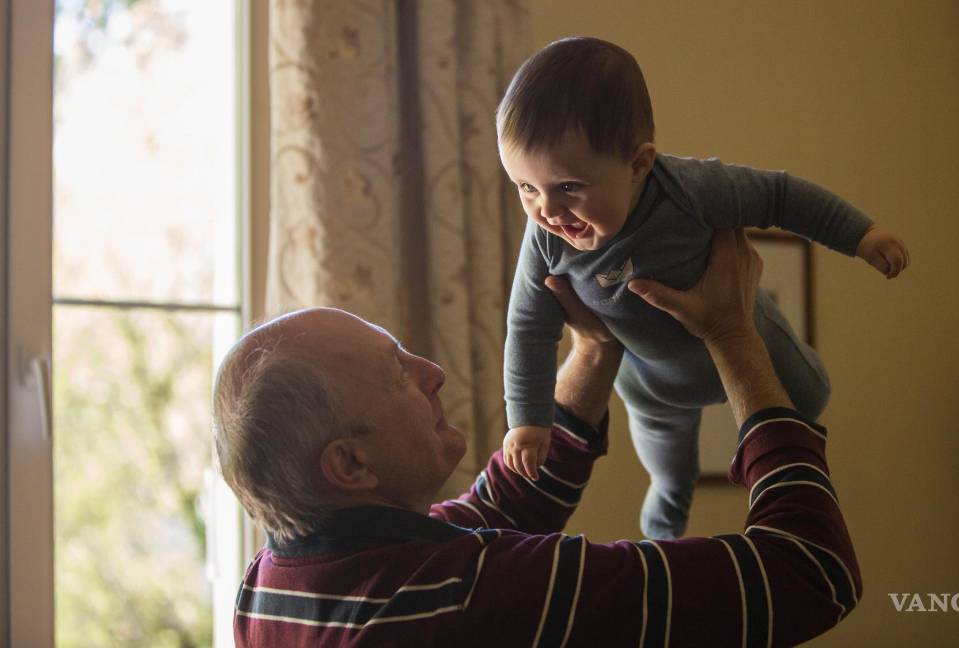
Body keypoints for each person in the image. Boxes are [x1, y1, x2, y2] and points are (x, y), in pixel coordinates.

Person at [213, 230, 862, 647]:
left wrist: (594, 348)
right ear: (350, 464)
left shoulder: (270, 587)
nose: (432, 373)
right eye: (397, 374)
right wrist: (733, 336)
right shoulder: (469, 596)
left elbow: (498, 509)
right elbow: (809, 572)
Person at [498, 36, 910, 539]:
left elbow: (781, 196)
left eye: (568, 187)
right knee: (669, 471)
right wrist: (528, 419)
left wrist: (862, 236)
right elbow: (528, 328)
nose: (546, 210)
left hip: (750, 335)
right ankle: (665, 523)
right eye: (525, 187)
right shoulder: (545, 239)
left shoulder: (690, 189)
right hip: (651, 383)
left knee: (810, 397)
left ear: (638, 164)